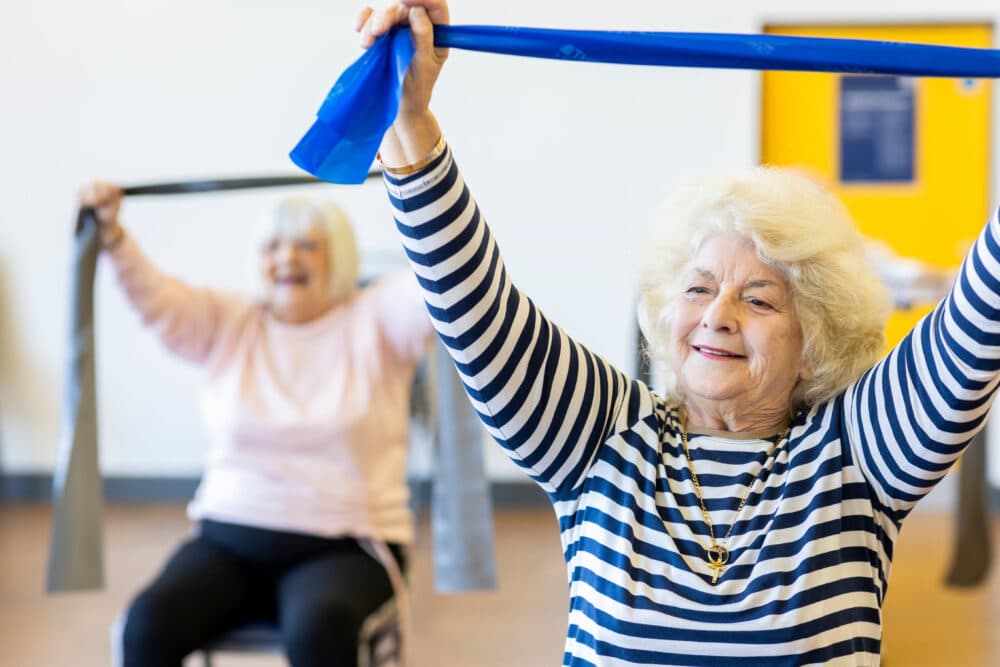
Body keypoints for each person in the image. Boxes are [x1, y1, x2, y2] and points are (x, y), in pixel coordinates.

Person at [358, 2, 999, 665]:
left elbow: (978, 317)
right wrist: (409, 121)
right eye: (697, 288)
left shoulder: (856, 455)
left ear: (815, 343)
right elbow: (475, 304)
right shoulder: (600, 437)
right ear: (667, 317)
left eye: (758, 298)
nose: (717, 314)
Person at [78, 182, 434, 667]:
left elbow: (442, 276)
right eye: (274, 246)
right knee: (147, 625)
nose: (288, 257)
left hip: (347, 547)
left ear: (342, 256)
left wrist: (420, 175)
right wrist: (113, 234)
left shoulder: (380, 318)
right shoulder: (229, 321)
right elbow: (153, 296)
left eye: (308, 244)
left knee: (320, 629)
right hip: (229, 543)